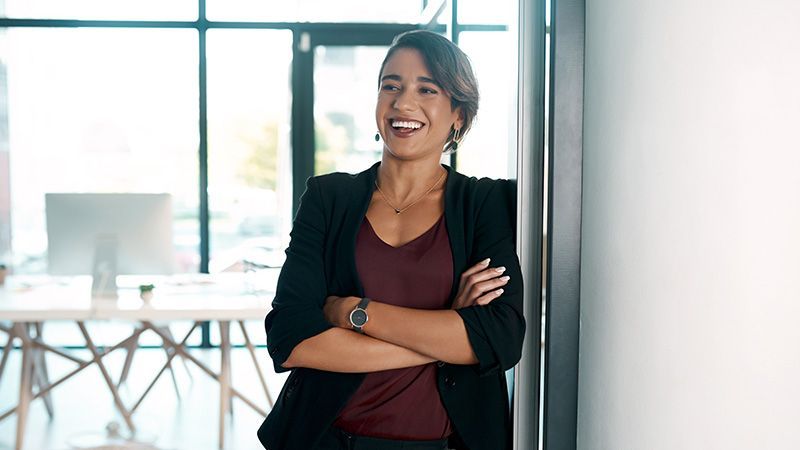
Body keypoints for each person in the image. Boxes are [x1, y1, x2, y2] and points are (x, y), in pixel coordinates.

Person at [257, 30, 525, 450]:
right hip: (325, 440)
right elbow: (291, 340)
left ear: (459, 113)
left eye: (427, 89)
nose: (403, 103)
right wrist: (446, 335)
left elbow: (500, 339)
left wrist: (354, 312)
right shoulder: (329, 198)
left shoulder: (487, 203)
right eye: (391, 86)